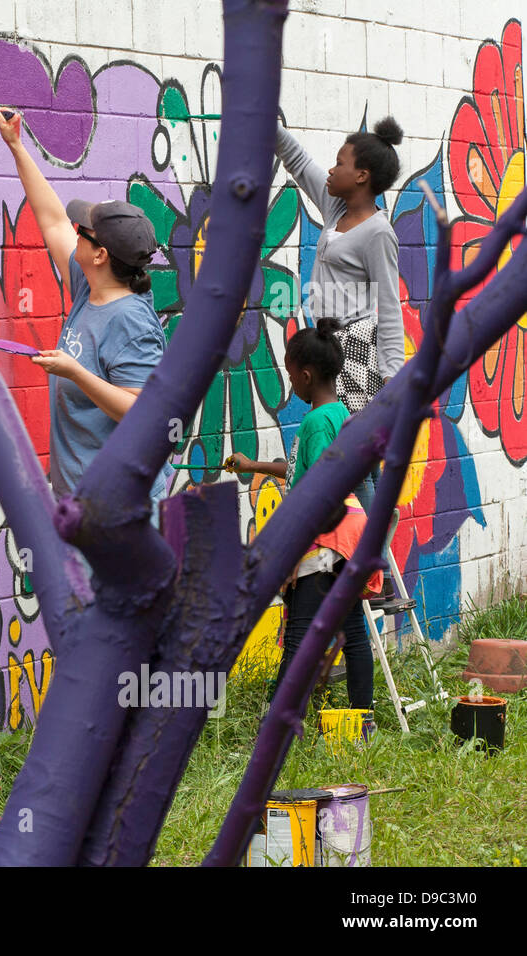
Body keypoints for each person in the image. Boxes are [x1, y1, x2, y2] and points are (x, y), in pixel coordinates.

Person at [0, 109, 173, 520]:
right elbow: (52, 218)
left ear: (101, 254)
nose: (75, 230)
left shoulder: (131, 322)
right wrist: (17, 146)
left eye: (84, 231)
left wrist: (75, 372)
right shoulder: (87, 283)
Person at [224, 320, 382, 718]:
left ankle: (274, 730)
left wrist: (296, 559)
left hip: (326, 540)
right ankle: (362, 720)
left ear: (306, 375)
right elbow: (303, 471)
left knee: (297, 640)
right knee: (353, 633)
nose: (290, 380)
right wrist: (253, 464)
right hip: (349, 538)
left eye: (291, 373)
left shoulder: (314, 423)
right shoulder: (338, 415)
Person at [275, 117, 405, 503]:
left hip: (358, 352)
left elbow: (390, 307)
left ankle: (371, 545)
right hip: (331, 347)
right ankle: (373, 540)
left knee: (352, 458)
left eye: (340, 163)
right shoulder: (335, 207)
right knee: (349, 458)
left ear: (362, 175)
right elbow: (298, 161)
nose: (330, 170)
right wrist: (268, 120)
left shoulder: (379, 233)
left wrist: (392, 383)